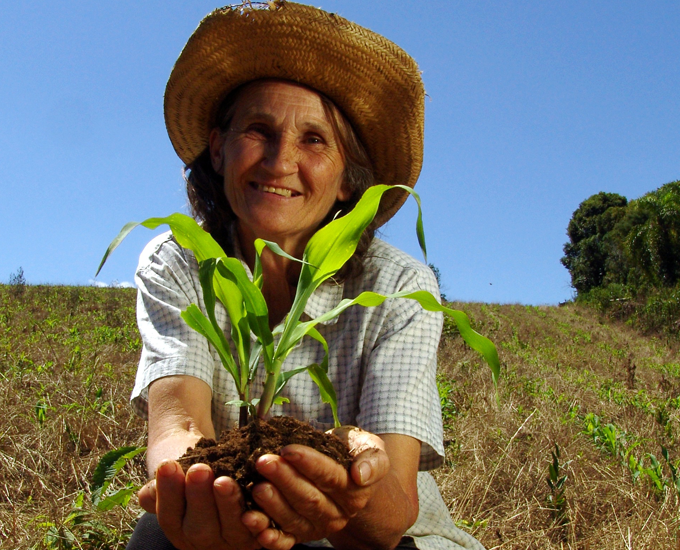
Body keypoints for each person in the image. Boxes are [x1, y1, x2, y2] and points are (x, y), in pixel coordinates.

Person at [126, 3, 484, 550]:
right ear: (218, 150)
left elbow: (392, 510)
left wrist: (352, 479)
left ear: (347, 181)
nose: (279, 160)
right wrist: (194, 480)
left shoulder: (399, 288)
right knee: (157, 537)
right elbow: (178, 429)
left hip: (387, 539)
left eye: (314, 140)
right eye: (258, 129)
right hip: (234, 506)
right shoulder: (178, 263)